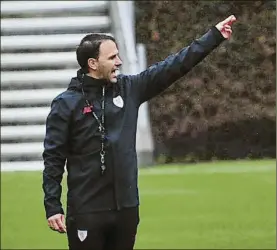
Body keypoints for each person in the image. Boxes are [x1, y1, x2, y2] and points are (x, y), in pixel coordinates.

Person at [42, 15, 237, 250]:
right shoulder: (65, 103)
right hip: (86, 210)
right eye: (112, 57)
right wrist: (52, 205)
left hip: (127, 209)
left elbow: (174, 66)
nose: (119, 62)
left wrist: (213, 36)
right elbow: (53, 157)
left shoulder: (130, 89)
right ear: (93, 64)